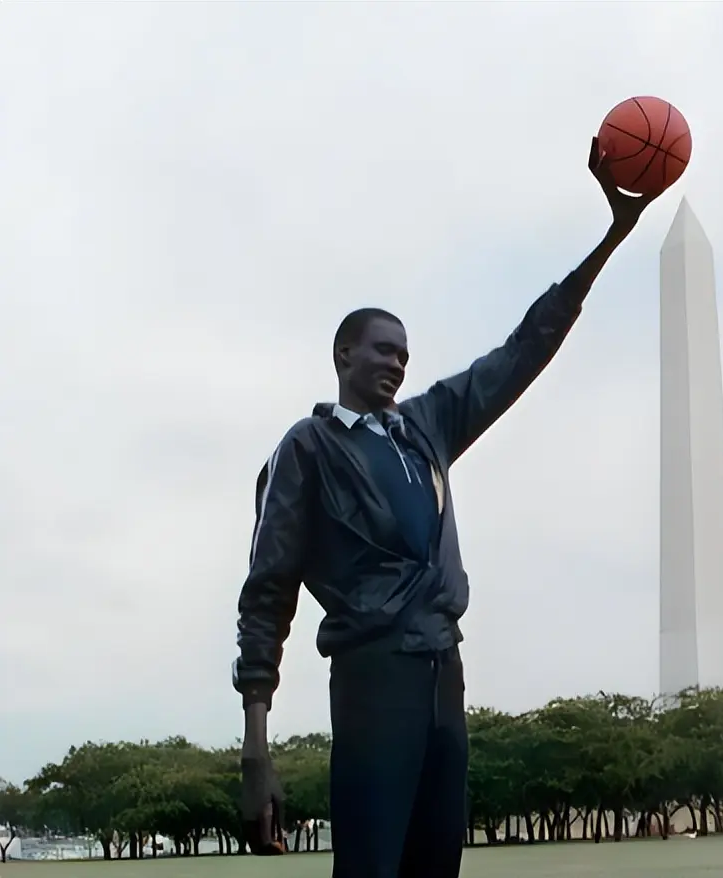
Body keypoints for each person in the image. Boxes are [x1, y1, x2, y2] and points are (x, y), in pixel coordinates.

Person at [232, 138, 660, 878]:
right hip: (374, 678)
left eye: (404, 352)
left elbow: (524, 347)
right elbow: (266, 596)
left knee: (437, 867)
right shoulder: (307, 449)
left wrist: (613, 237)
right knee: (370, 867)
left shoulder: (425, 427)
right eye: (381, 349)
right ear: (342, 356)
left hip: (444, 677)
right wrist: (256, 747)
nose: (397, 361)